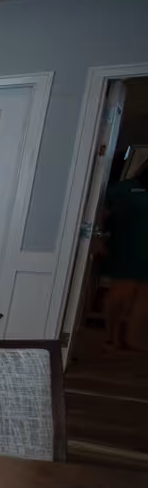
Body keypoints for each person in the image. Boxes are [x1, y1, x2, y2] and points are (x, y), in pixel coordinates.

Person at [99, 148, 148, 351]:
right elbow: (101, 215)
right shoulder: (122, 190)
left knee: (144, 295)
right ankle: (112, 336)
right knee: (121, 291)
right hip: (127, 248)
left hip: (141, 249)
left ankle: (132, 338)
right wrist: (97, 240)